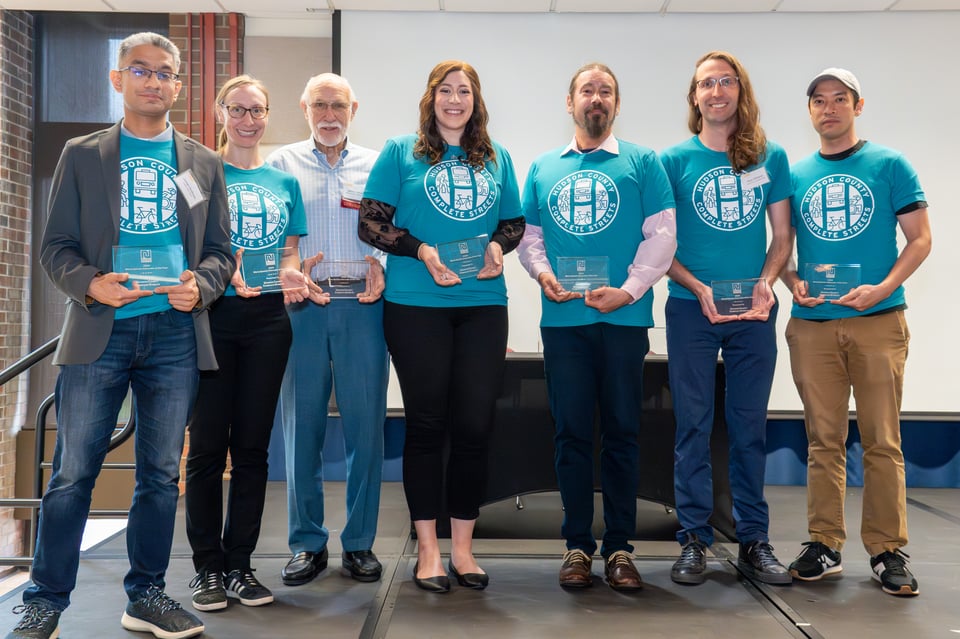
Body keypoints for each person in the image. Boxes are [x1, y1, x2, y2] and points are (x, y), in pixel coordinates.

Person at [8, 32, 233, 639]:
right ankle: (45, 601)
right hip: (99, 334)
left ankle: (147, 597)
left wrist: (202, 287)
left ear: (179, 87)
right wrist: (90, 283)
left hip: (175, 336)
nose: (153, 81)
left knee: (160, 475)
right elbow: (55, 247)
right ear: (119, 79)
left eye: (165, 73)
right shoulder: (83, 155)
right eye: (141, 70)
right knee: (73, 473)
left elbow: (219, 254)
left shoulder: (202, 162)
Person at [359, 60, 524, 593]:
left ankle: (463, 551)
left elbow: (513, 222)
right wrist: (422, 250)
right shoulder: (399, 150)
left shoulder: (496, 157)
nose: (455, 100)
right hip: (414, 305)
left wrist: (499, 246)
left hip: (482, 304)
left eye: (465, 91)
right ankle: (427, 551)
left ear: (477, 100)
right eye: (446, 91)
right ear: (431, 98)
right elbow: (371, 221)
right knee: (428, 425)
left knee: (475, 427)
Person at [517, 62, 676, 591]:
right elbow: (529, 238)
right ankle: (577, 546)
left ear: (616, 104)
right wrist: (542, 275)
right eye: (587, 90)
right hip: (564, 321)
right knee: (571, 435)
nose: (596, 99)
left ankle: (621, 549)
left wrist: (629, 290)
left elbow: (662, 236)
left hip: (624, 318)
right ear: (570, 102)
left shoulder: (643, 163)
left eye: (606, 91)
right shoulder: (543, 167)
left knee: (624, 432)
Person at [781, 68, 931, 597]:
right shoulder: (794, 174)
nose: (829, 109)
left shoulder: (890, 165)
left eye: (839, 99)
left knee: (882, 440)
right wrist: (792, 281)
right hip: (813, 327)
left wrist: (882, 286)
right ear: (810, 111)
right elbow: (779, 247)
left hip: (878, 320)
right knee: (822, 440)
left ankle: (887, 549)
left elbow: (920, 239)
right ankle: (824, 543)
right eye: (819, 101)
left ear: (858, 106)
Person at [659, 51, 792, 586]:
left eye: (726, 81)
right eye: (705, 84)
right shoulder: (673, 161)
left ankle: (754, 540)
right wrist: (695, 286)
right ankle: (693, 538)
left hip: (754, 313)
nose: (716, 91)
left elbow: (782, 238)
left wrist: (766, 284)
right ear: (694, 98)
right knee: (691, 426)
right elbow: (657, 244)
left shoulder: (770, 155)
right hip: (691, 308)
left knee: (748, 428)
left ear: (741, 90)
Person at [184, 75, 310, 612]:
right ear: (220, 112)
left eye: (257, 110)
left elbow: (288, 254)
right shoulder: (196, 175)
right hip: (211, 317)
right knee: (209, 447)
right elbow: (183, 245)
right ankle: (207, 568)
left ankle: (240, 565)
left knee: (253, 450)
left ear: (267, 115)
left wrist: (293, 275)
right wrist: (219, 273)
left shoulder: (285, 183)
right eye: (237, 109)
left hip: (267, 322)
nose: (247, 119)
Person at [266, 73, 390, 587]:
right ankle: (307, 543)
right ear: (304, 107)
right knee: (303, 429)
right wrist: (285, 267)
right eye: (319, 104)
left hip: (362, 303)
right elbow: (270, 234)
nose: (329, 114)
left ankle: (359, 543)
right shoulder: (280, 164)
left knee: (366, 428)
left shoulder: (377, 164)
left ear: (354, 108)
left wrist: (380, 260)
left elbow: (388, 226)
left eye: (338, 104)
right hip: (303, 306)